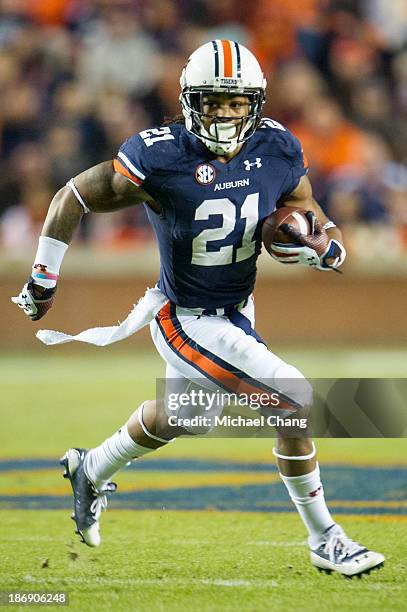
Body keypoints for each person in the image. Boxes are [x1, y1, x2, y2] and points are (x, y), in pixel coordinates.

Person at [12, 40, 384, 577]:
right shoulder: (160, 155)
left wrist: (324, 243)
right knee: (293, 399)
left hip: (236, 308)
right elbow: (75, 194)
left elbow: (303, 204)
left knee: (186, 416)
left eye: (237, 103)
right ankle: (325, 537)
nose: (226, 114)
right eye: (214, 101)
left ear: (255, 104)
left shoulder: (277, 146)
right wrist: (44, 274)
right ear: (190, 101)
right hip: (184, 316)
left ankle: (90, 468)